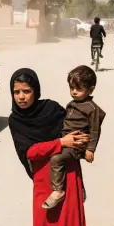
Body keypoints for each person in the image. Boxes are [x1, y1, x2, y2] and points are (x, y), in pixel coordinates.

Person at [9, 68, 89, 226]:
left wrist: (82, 142)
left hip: (68, 174)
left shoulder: (53, 110)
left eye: (26, 91)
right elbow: (29, 152)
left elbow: (77, 131)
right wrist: (58, 143)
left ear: (36, 91)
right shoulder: (15, 120)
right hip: (43, 180)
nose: (21, 97)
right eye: (16, 92)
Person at [45, 65, 105, 209]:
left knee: (56, 159)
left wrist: (90, 149)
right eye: (71, 88)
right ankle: (80, 191)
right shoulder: (71, 104)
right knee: (71, 165)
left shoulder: (92, 108)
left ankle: (58, 190)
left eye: (78, 89)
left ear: (90, 89)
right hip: (67, 141)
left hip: (77, 144)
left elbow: (95, 129)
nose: (74, 92)